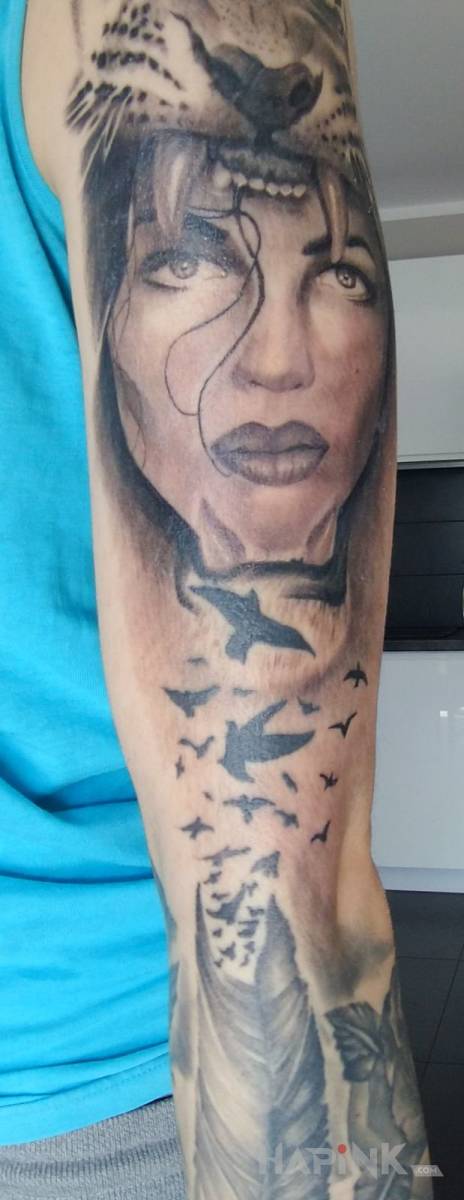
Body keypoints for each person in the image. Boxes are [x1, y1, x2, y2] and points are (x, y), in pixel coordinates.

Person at [0, 1, 432, 1197]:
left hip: (95, 1099)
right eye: (191, 262)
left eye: (329, 273)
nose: (276, 362)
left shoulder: (158, 27)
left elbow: (287, 901)